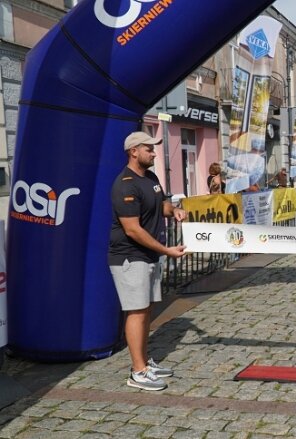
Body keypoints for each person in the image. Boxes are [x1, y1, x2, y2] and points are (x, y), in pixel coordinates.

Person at [109, 131, 187, 391]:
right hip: (130, 257)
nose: (154, 153)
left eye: (154, 149)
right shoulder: (125, 184)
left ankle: (145, 361)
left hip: (149, 255)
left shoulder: (151, 178)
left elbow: (161, 206)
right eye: (149, 149)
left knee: (146, 310)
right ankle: (137, 372)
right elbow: (132, 229)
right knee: (137, 311)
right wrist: (166, 250)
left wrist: (174, 210)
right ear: (133, 151)